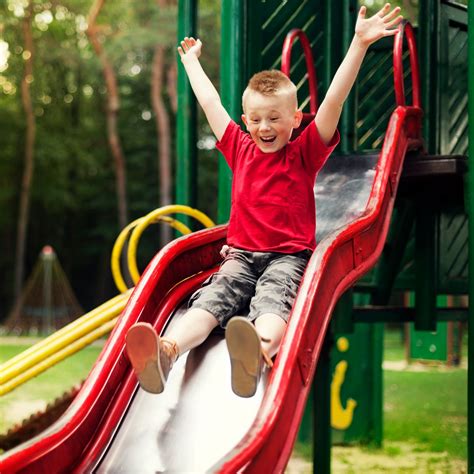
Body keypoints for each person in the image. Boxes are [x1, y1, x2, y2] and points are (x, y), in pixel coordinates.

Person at [125, 3, 403, 398]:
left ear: (295, 119)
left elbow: (334, 102)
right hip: (239, 256)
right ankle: (168, 351)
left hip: (287, 258)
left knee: (274, 304)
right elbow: (210, 104)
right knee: (210, 301)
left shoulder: (305, 151)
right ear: (245, 118)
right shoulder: (239, 147)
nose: (264, 126)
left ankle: (259, 351)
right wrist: (190, 64)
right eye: (254, 119)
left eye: (274, 117)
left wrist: (358, 44)